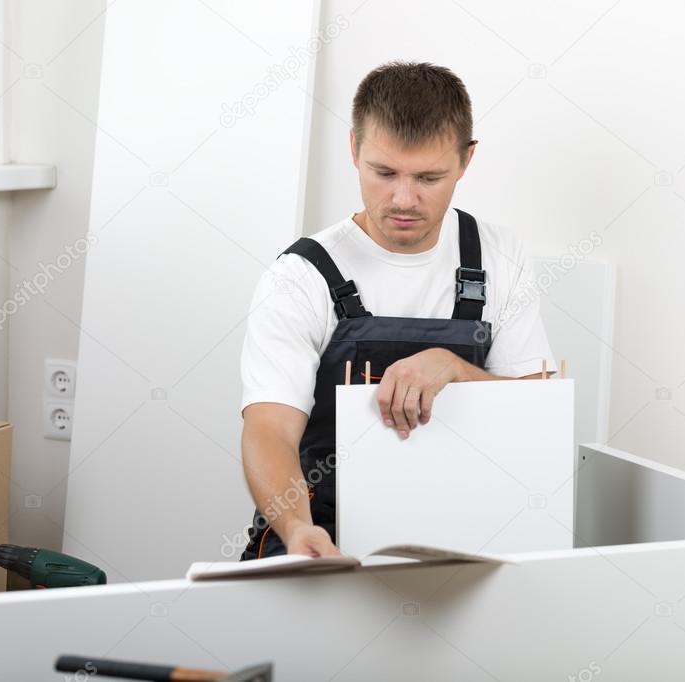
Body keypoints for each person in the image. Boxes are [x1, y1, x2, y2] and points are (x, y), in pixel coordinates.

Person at [238, 61, 557, 560]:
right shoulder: (299, 276)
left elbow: (537, 412)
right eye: (383, 172)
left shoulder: (501, 257)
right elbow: (270, 428)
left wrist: (454, 368)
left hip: (464, 534)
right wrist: (297, 527)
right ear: (353, 148)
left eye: (430, 177)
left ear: (467, 160)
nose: (403, 199)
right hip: (323, 533)